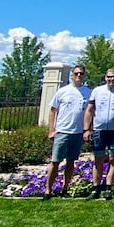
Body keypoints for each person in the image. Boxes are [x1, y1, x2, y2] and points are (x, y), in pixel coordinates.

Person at [43, 65, 91, 199]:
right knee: (55, 161)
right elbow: (53, 111)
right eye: (76, 73)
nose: (78, 76)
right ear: (72, 75)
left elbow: (90, 112)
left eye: (81, 74)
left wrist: (88, 130)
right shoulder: (62, 91)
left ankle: (65, 189)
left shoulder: (88, 92)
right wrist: (51, 129)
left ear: (84, 75)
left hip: (77, 132)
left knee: (71, 162)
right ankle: (48, 190)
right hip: (62, 131)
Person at [83, 67, 114, 200]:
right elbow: (89, 110)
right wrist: (86, 129)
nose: (111, 79)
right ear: (105, 77)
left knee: (113, 159)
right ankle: (96, 188)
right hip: (99, 130)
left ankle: (108, 187)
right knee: (98, 159)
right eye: (109, 77)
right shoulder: (97, 91)